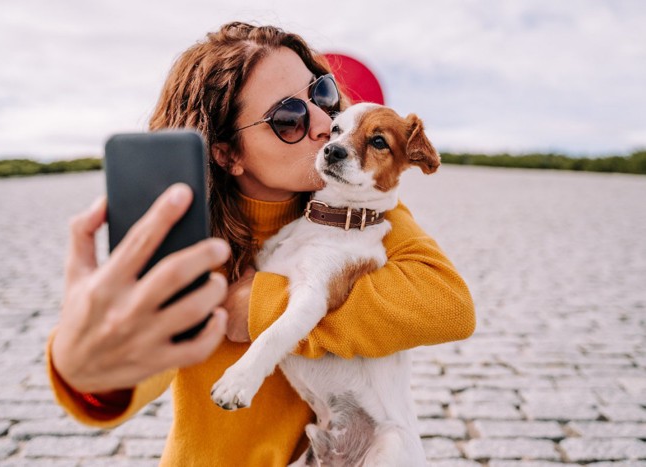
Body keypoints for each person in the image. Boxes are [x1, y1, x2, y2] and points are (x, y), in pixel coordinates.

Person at [47, 21, 475, 466]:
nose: (322, 124)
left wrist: (259, 306)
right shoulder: (191, 239)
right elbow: (141, 361)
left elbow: (448, 305)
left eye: (322, 95)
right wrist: (86, 370)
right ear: (228, 153)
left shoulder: (358, 205)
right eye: (287, 119)